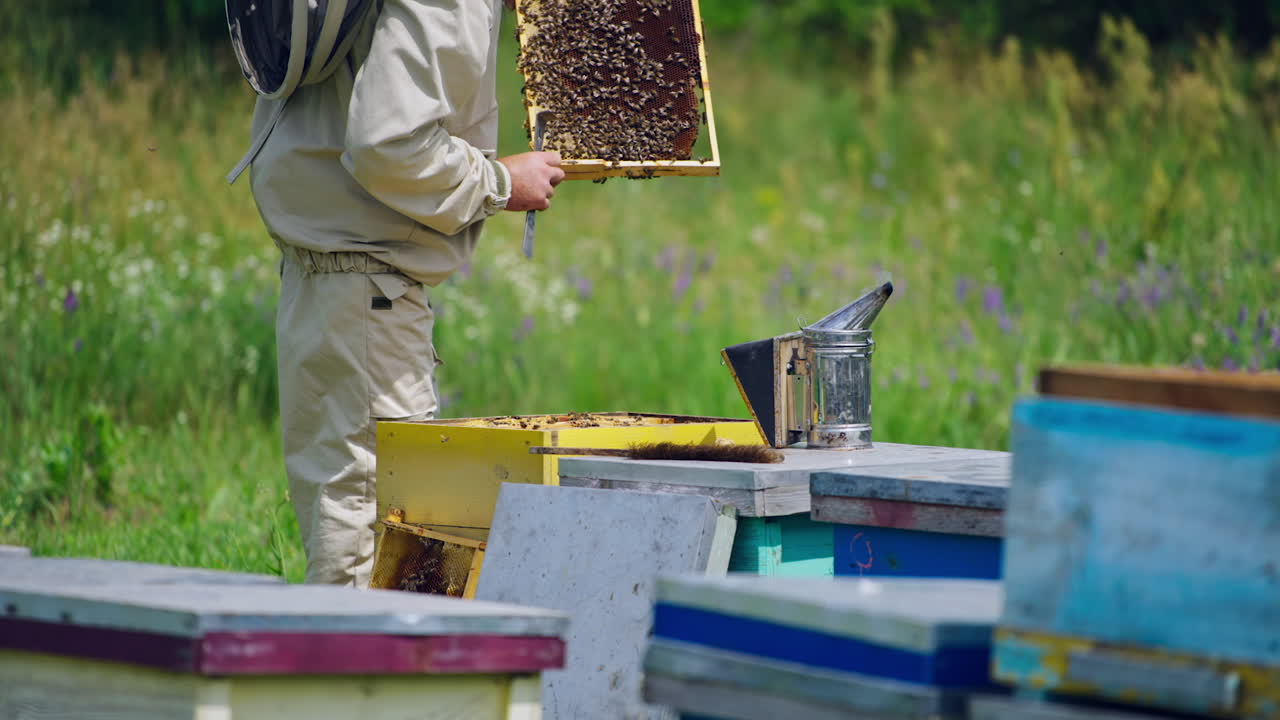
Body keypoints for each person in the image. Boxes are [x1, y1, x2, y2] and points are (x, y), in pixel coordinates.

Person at [245, 0, 564, 586]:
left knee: (341, 514)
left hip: (322, 278)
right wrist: (498, 181)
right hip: (366, 293)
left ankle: (333, 668)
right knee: (372, 538)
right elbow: (387, 144)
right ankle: (354, 676)